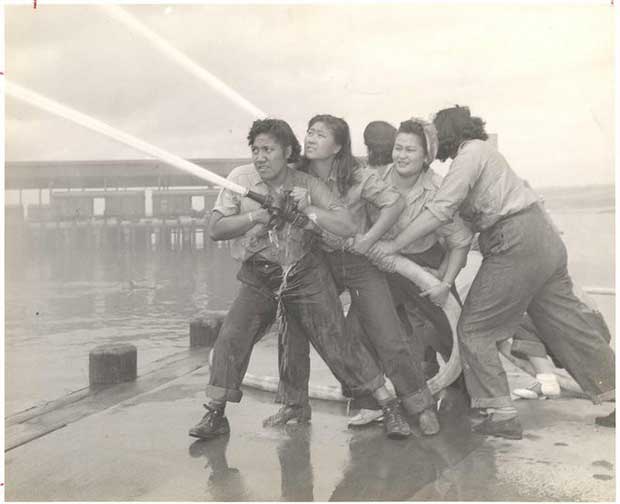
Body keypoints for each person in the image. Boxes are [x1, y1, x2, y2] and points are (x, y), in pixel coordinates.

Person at [369, 105, 615, 440]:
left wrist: (395, 245)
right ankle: (614, 394)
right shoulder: (487, 155)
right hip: (543, 239)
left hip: (514, 241)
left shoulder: (470, 154)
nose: (432, 143)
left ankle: (502, 413)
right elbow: (466, 226)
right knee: (566, 322)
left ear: (448, 134)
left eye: (434, 136)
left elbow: (441, 209)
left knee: (474, 329)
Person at [189, 118, 404, 440]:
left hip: (303, 272)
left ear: (287, 151)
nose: (260, 157)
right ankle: (216, 414)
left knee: (337, 340)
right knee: (231, 337)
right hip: (260, 274)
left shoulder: (308, 183)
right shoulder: (240, 178)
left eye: (269, 150)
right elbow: (216, 230)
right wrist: (256, 216)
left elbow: (345, 225)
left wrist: (307, 213)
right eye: (256, 150)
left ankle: (389, 407)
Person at [267, 114, 440, 436]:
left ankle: (420, 405)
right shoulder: (298, 175)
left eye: (319, 134)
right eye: (309, 132)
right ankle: (296, 402)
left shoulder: (359, 176)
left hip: (359, 262)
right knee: (292, 323)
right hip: (317, 259)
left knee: (386, 333)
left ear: (338, 146)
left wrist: (370, 238)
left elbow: (394, 203)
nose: (310, 138)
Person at [348, 118, 473, 427]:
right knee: (356, 329)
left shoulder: (440, 189)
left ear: (426, 155)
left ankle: (470, 394)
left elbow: (461, 241)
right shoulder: (374, 179)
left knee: (454, 335)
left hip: (426, 264)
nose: (402, 156)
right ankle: (370, 402)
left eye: (411, 150)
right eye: (398, 148)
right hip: (381, 265)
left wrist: (444, 282)